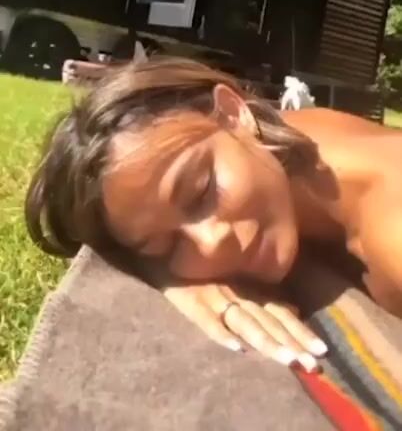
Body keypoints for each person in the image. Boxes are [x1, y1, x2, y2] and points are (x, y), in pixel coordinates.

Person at [25, 57, 402, 374]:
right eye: (167, 246)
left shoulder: (390, 236)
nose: (210, 244)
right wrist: (166, 274)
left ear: (234, 114)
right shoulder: (284, 136)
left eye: (201, 191)